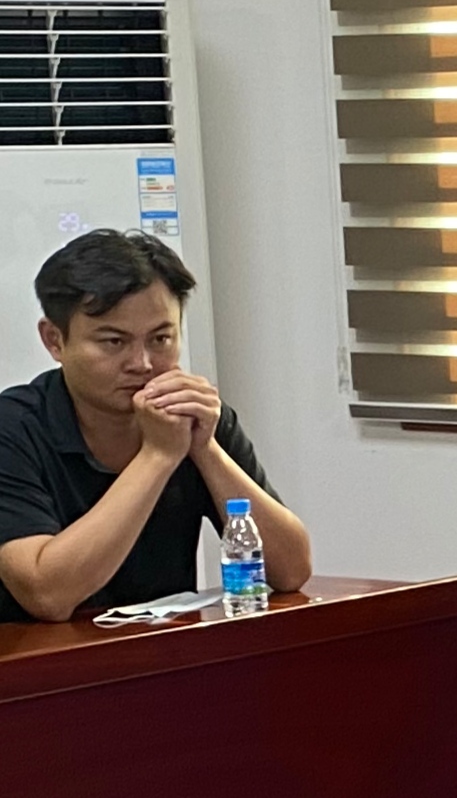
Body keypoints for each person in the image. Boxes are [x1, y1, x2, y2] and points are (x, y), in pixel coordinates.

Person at [0, 231, 311, 625]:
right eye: (114, 342)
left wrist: (205, 450)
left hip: (162, 651)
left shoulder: (194, 415)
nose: (143, 364)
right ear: (54, 340)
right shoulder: (14, 429)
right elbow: (47, 595)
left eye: (161, 338)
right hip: (41, 659)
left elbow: (291, 571)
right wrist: (158, 456)